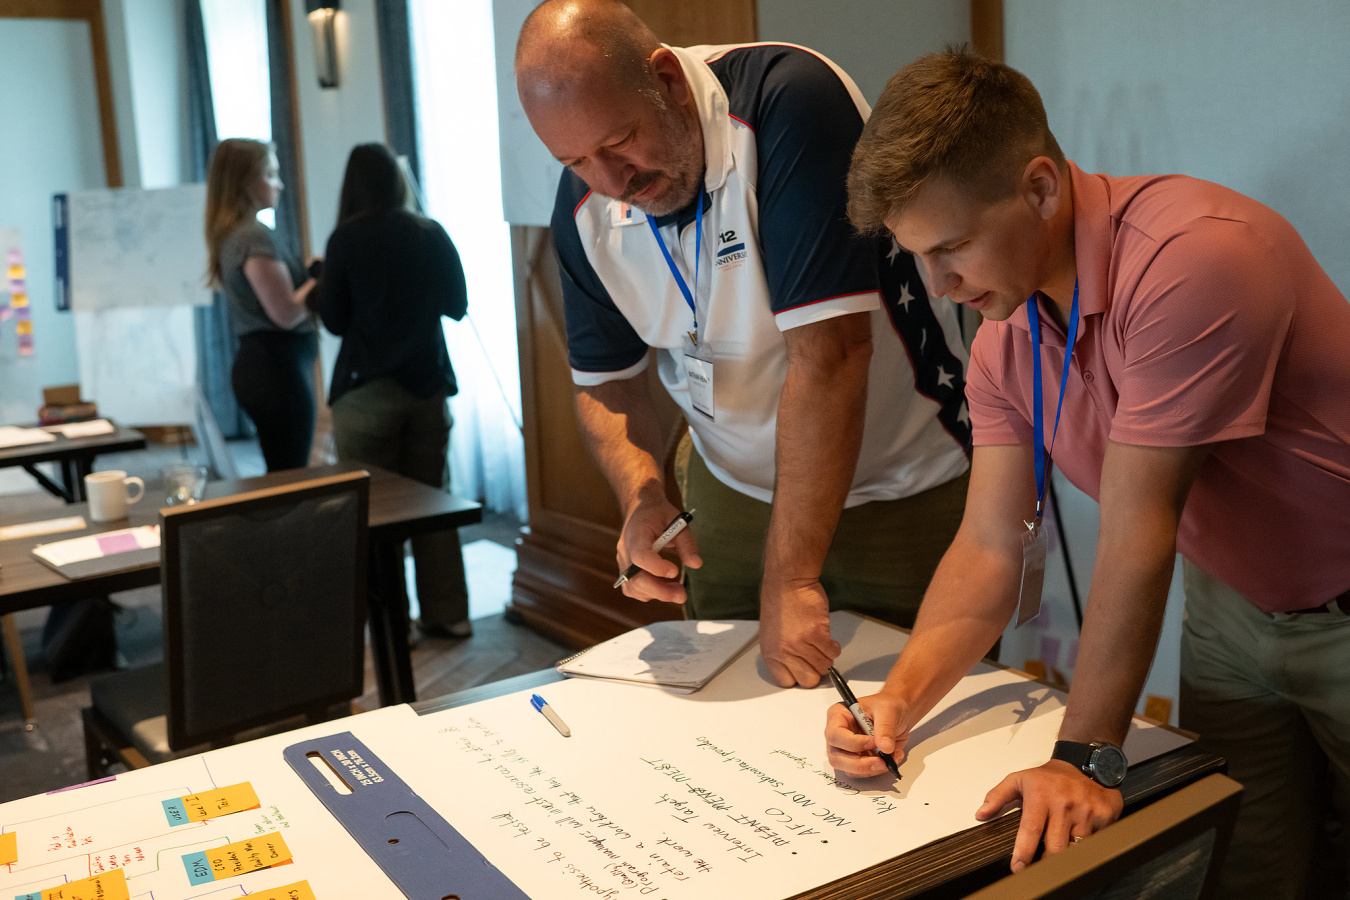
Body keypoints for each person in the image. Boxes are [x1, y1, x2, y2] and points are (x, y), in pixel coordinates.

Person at [824, 48, 1350, 898]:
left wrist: (1085, 758)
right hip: (1234, 611)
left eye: (952, 246)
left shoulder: (1192, 259)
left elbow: (1141, 526)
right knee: (1243, 866)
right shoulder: (1007, 334)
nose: (941, 286)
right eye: (915, 255)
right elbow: (993, 542)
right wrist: (899, 698)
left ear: (1039, 188)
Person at [515, 0, 973, 689]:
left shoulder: (789, 100)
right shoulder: (585, 206)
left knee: (905, 723)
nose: (613, 183)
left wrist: (790, 579)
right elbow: (608, 384)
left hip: (900, 482)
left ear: (666, 77)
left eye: (619, 142)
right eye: (576, 160)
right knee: (732, 707)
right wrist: (642, 496)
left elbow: (832, 356)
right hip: (732, 487)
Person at [318, 143, 472, 639]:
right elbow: (457, 306)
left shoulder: (344, 240)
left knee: (374, 512)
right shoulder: (430, 233)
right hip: (427, 387)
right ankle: (449, 614)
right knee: (433, 503)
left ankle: (392, 624)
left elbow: (335, 321)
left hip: (366, 395)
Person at [205, 138, 319, 472]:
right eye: (270, 175)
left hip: (268, 368)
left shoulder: (235, 233)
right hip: (276, 371)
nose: (279, 184)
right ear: (246, 182)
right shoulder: (252, 236)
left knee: (283, 468)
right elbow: (284, 312)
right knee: (289, 474)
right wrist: (321, 280)